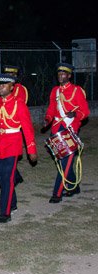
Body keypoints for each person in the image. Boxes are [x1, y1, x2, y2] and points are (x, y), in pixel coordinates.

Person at [0, 74, 38, 222]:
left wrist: (31, 150)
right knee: (2, 178)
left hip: (12, 144)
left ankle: (5, 212)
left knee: (8, 179)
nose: (0, 88)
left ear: (12, 87)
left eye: (4, 85)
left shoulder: (19, 104)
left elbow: (27, 129)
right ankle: (12, 203)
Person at [44, 63, 90, 203]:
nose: (60, 76)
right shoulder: (55, 91)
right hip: (57, 128)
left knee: (66, 161)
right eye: (59, 74)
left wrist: (75, 113)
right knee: (63, 160)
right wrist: (48, 119)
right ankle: (73, 186)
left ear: (69, 75)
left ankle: (57, 193)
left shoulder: (76, 91)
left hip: (70, 129)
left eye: (63, 74)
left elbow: (85, 112)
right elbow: (52, 108)